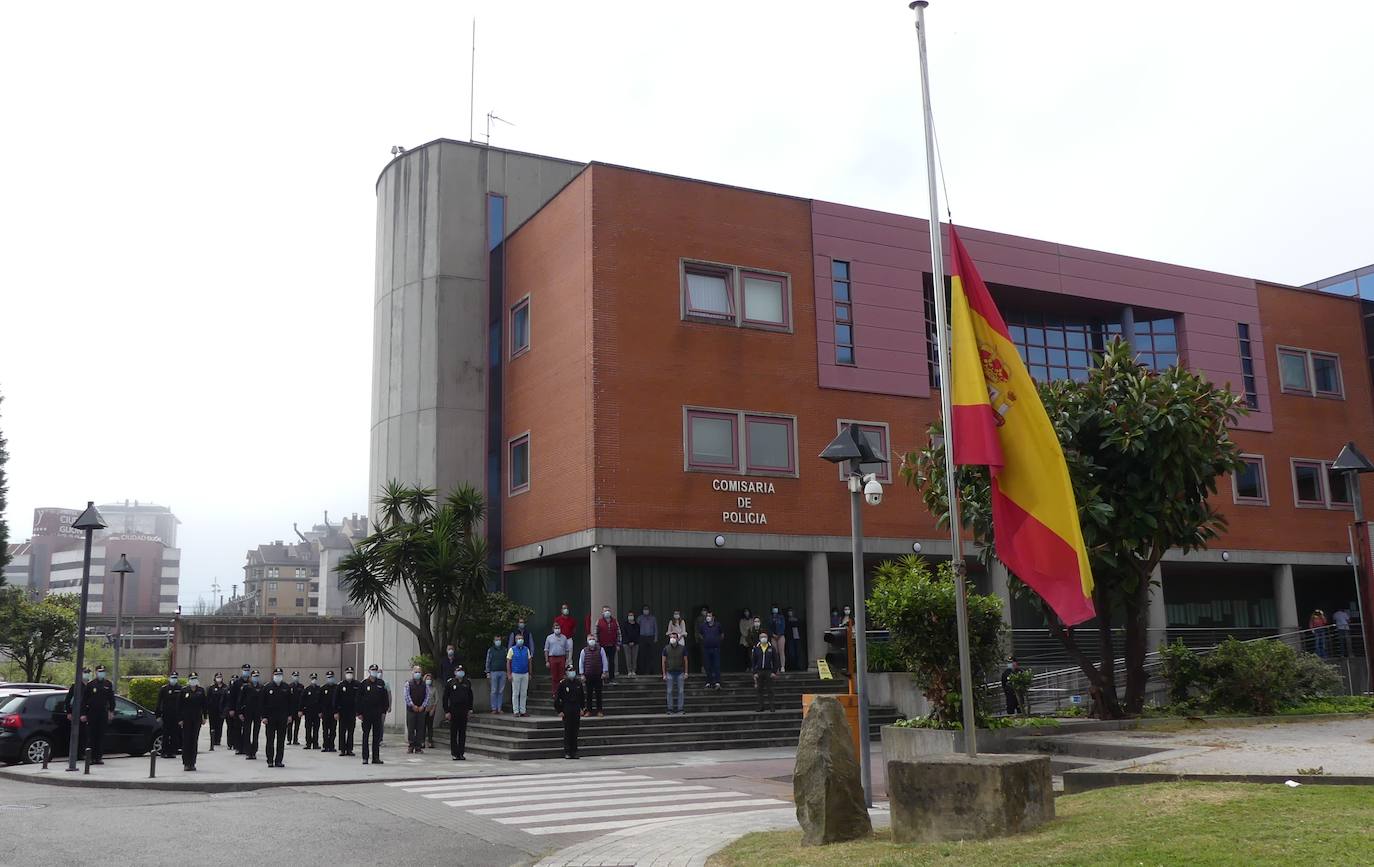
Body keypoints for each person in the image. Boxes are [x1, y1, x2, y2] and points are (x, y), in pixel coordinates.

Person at [261, 667, 294, 768]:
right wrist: (264, 716)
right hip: (270, 718)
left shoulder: (286, 687)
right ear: (273, 676)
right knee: (270, 740)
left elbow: (290, 703)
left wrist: (290, 715)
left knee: (281, 740)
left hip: (282, 718)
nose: (278, 677)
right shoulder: (267, 687)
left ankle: (279, 760)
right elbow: (262, 703)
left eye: (280, 675)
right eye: (276, 675)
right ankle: (270, 760)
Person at [84, 665, 116, 765]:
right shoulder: (91, 684)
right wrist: (84, 714)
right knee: (91, 736)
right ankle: (90, 757)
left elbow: (111, 699)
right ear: (96, 672)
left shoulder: (108, 684)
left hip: (103, 713)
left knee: (101, 736)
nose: (101, 673)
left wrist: (111, 711)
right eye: (99, 671)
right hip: (92, 713)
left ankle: (98, 757)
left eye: (103, 671)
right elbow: (84, 700)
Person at [358, 664, 389, 764]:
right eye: (372, 670)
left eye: (376, 670)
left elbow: (385, 698)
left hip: (377, 714)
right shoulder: (364, 683)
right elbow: (358, 699)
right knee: (365, 736)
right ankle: (365, 757)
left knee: (376, 737)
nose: (374, 671)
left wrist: (384, 711)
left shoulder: (381, 683)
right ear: (369, 671)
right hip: (366, 714)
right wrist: (359, 713)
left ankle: (376, 758)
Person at [554, 664, 585, 759]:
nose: (572, 672)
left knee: (575, 731)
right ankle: (567, 751)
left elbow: (582, 697)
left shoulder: (578, 683)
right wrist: (559, 710)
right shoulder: (563, 683)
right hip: (567, 708)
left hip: (576, 708)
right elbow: (557, 698)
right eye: (570, 671)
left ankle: (574, 751)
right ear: (567, 673)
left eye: (573, 671)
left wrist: (582, 708)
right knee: (568, 731)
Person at [443, 664, 474, 760]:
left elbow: (470, 696)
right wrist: (447, 711)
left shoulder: (467, 682)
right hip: (454, 710)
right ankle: (454, 753)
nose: (460, 672)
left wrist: (470, 709)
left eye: (461, 670)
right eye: (458, 670)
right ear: (455, 672)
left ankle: (461, 752)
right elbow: (445, 698)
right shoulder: (450, 683)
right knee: (454, 732)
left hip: (464, 710)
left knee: (462, 732)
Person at [63, 668, 94, 763]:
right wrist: (69, 712)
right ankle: (76, 754)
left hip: (89, 714)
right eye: (85, 673)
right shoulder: (76, 686)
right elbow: (67, 700)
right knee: (78, 734)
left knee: (86, 735)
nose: (87, 675)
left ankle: (83, 753)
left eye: (88, 673)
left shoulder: (91, 686)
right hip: (77, 714)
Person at [179, 673, 208, 771]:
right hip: (186, 719)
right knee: (186, 741)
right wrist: (180, 719)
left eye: (195, 678)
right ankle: (186, 763)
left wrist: (205, 716)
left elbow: (204, 705)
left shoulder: (201, 690)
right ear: (189, 680)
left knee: (194, 740)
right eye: (192, 678)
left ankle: (192, 762)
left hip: (197, 719)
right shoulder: (184, 690)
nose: (193, 680)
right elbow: (179, 705)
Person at [578, 637, 608, 717]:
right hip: (588, 675)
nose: (592, 640)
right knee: (589, 694)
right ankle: (589, 710)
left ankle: (599, 710)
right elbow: (581, 662)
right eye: (590, 639)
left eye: (593, 639)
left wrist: (604, 672)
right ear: (587, 641)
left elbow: (604, 660)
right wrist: (582, 674)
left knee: (598, 694)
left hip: (598, 675)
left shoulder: (601, 649)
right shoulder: (584, 651)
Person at [156, 671, 183, 759]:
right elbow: (159, 703)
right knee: (166, 734)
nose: (174, 679)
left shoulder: (180, 689)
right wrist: (158, 715)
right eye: (172, 677)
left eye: (175, 677)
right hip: (166, 715)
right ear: (169, 678)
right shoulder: (164, 689)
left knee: (175, 734)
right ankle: (164, 752)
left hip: (176, 716)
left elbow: (183, 703)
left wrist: (182, 717)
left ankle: (173, 752)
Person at [751, 631, 780, 712]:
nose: (763, 638)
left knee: (770, 689)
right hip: (759, 671)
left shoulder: (771, 648)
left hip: (768, 671)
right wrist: (754, 673)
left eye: (765, 637)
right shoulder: (756, 648)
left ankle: (772, 706)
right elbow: (753, 661)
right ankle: (761, 706)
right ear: (759, 638)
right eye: (761, 637)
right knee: (759, 690)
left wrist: (774, 672)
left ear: (767, 638)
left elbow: (775, 660)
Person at [404, 665, 431, 754]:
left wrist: (423, 706)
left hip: (421, 710)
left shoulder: (425, 685)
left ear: (421, 673)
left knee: (420, 728)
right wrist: (413, 705)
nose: (417, 674)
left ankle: (418, 747)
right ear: (412, 672)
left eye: (419, 672)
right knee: (411, 728)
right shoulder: (408, 684)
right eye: (416, 672)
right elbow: (406, 696)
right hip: (411, 710)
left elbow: (427, 696)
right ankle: (411, 746)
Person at [237, 669, 263, 760]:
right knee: (247, 732)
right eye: (254, 676)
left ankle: (254, 751)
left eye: (257, 676)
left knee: (256, 733)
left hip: (258, 713)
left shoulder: (261, 687)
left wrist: (263, 714)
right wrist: (240, 712)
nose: (256, 678)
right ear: (251, 677)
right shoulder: (246, 687)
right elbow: (240, 700)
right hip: (247, 712)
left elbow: (263, 701)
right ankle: (248, 751)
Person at [333, 667, 358, 757]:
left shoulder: (357, 684)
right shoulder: (340, 685)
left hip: (352, 712)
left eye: (351, 672)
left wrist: (359, 711)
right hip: (342, 712)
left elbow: (359, 699)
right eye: (348, 672)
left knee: (351, 731)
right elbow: (336, 699)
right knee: (342, 731)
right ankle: (342, 749)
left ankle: (349, 749)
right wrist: (336, 712)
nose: (349, 674)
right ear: (345, 674)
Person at [507, 632, 534, 716]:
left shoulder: (526, 649)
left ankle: (523, 711)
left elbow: (529, 661)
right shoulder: (512, 649)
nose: (520, 640)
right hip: (515, 673)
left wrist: (530, 673)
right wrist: (509, 674)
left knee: (524, 693)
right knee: (515, 693)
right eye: (518, 639)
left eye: (521, 639)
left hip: (525, 673)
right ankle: (516, 711)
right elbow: (508, 662)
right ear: (515, 640)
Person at [662, 634, 689, 714]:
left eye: (674, 637)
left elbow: (685, 660)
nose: (672, 639)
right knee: (669, 691)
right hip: (669, 672)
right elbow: (663, 661)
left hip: (680, 672)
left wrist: (686, 672)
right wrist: (664, 674)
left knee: (681, 691)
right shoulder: (666, 648)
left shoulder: (682, 648)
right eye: (671, 637)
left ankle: (680, 709)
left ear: (677, 639)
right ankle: (670, 709)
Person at [226, 663, 250, 753]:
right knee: (237, 728)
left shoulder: (251, 683)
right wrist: (231, 709)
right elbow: (232, 697)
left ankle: (245, 747)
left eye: (248, 670)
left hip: (248, 709)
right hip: (238, 708)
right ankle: (238, 747)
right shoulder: (237, 683)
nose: (246, 672)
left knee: (247, 729)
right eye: (245, 670)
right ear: (242, 671)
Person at [545, 622, 573, 698]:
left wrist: (567, 660)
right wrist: (547, 661)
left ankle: (562, 692)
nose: (557, 629)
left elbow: (567, 650)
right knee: (554, 676)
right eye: (556, 628)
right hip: (552, 658)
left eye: (558, 628)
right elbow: (546, 650)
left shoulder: (564, 637)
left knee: (562, 676)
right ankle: (555, 692)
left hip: (561, 657)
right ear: (553, 629)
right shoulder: (549, 638)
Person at [595, 605, 621, 685]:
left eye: (608, 610)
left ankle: (612, 678)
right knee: (603, 662)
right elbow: (596, 633)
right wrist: (597, 644)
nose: (607, 612)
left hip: (612, 645)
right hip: (602, 645)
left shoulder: (615, 621)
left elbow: (618, 633)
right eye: (605, 611)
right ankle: (604, 678)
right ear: (602, 612)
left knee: (612, 662)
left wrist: (618, 644)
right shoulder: (599, 621)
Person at [698, 611, 723, 689]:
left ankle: (717, 682)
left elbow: (722, 634)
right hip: (706, 648)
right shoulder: (703, 626)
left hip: (715, 648)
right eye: (707, 616)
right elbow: (700, 634)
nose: (708, 617)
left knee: (716, 665)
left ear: (713, 617)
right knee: (707, 665)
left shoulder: (718, 625)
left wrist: (718, 640)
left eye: (709, 616)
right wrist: (704, 640)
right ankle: (708, 682)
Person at [206, 673, 229, 751]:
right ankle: (213, 740)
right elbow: (208, 699)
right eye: (217, 677)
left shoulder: (225, 687)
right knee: (212, 725)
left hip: (221, 710)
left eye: (220, 677)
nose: (219, 678)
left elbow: (227, 699)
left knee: (220, 725)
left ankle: (218, 740)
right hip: (212, 710)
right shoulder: (211, 688)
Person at [485, 636, 507, 714]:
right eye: (496, 640)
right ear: (494, 641)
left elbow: (507, 660)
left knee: (501, 690)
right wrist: (487, 672)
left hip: (503, 671)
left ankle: (499, 708)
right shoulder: (490, 650)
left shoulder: (504, 650)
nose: (498, 641)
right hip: (493, 672)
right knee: (494, 690)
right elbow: (488, 661)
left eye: (499, 640)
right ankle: (494, 708)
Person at [300, 673, 322, 749]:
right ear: (310, 679)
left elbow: (321, 701)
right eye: (312, 678)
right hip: (308, 712)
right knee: (308, 728)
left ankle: (315, 744)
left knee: (316, 728)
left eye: (315, 678)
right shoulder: (307, 689)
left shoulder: (319, 689)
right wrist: (301, 710)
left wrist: (321, 711)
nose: (314, 680)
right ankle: (308, 743)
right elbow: (302, 700)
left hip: (317, 712)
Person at [319, 671, 339, 752]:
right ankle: (325, 746)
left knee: (333, 730)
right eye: (328, 677)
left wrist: (337, 711)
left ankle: (331, 746)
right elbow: (320, 701)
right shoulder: (323, 688)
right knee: (325, 730)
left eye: (331, 677)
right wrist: (320, 711)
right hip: (325, 712)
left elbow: (338, 700)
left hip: (333, 712)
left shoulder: (337, 688)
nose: (330, 679)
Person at [637, 606, 658, 675]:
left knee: (651, 655)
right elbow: (636, 628)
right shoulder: (640, 618)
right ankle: (642, 671)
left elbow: (655, 628)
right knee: (642, 655)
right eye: (644, 609)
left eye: (647, 609)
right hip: (642, 637)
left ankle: (650, 671)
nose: (646, 611)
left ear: (649, 610)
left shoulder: (653, 618)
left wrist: (655, 638)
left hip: (651, 637)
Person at [619, 611, 640, 678]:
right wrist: (629, 641)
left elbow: (637, 634)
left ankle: (634, 670)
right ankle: (629, 671)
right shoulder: (625, 625)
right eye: (629, 615)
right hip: (626, 643)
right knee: (628, 658)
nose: (631, 617)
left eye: (632, 615)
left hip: (635, 643)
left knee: (634, 658)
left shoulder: (637, 625)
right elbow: (624, 634)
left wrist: (634, 641)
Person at [286, 671, 304, 745]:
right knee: (289, 725)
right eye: (294, 676)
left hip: (298, 709)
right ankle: (289, 739)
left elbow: (302, 699)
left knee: (297, 726)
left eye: (297, 676)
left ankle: (295, 740)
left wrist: (301, 710)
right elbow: (287, 700)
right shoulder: (289, 686)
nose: (296, 677)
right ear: (292, 677)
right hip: (291, 709)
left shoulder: (301, 686)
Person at [769, 605, 788, 673]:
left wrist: (779, 634)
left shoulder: (781, 617)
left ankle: (782, 666)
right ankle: (776, 667)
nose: (775, 609)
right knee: (775, 652)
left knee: (781, 652)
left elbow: (783, 626)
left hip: (781, 636)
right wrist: (773, 634)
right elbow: (769, 627)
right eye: (773, 608)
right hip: (773, 636)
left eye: (776, 608)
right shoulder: (770, 617)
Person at [785, 608, 803, 672]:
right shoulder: (786, 620)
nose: (790, 612)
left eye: (791, 611)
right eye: (789, 611)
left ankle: (799, 666)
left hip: (797, 638)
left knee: (798, 653)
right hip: (790, 639)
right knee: (791, 653)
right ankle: (792, 666)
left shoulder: (798, 620)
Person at [424, 671, 438, 749]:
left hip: (431, 709)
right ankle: (422, 741)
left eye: (429, 679)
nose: (428, 680)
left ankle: (430, 741)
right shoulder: (423, 688)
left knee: (430, 726)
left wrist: (433, 709)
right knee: (422, 726)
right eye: (427, 679)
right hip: (424, 709)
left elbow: (436, 699)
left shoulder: (434, 689)